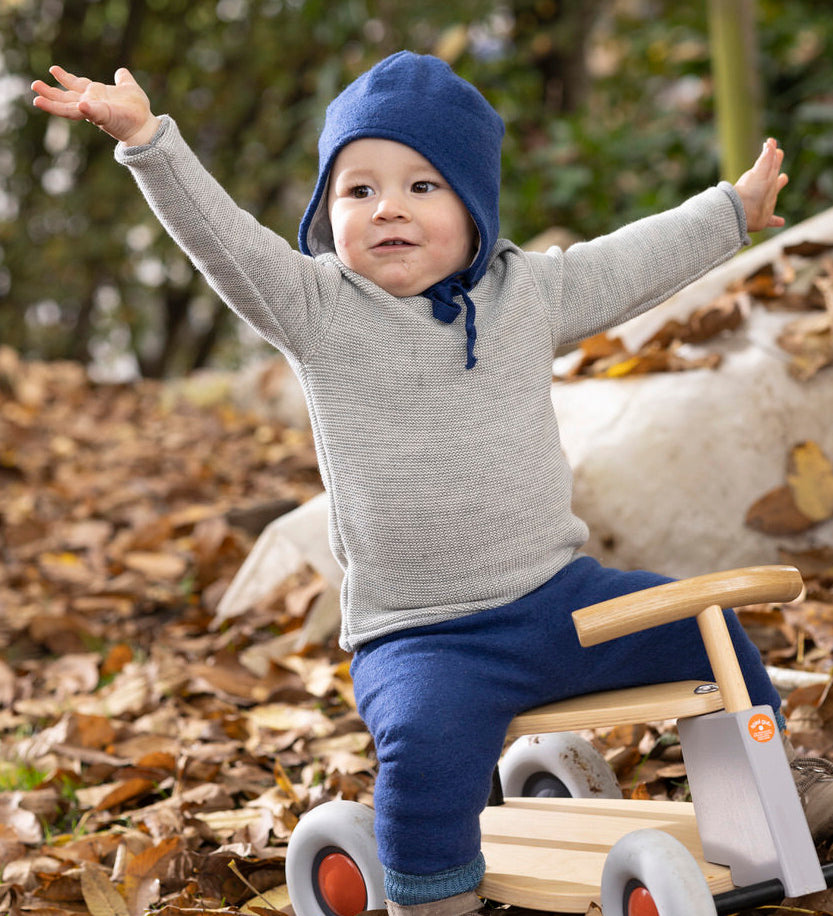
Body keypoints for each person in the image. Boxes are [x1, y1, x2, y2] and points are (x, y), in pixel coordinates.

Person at [32, 51, 830, 916]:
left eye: (421, 186)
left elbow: (626, 263)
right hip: (422, 639)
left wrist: (729, 214)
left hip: (560, 602)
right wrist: (149, 140)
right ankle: (431, 896)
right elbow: (224, 243)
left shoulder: (524, 295)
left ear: (473, 206)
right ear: (325, 212)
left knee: (700, 629)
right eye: (358, 190)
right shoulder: (317, 309)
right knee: (426, 753)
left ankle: (769, 797)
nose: (388, 210)